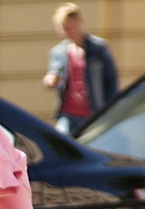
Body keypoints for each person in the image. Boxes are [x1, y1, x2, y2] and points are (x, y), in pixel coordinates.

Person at [42, 3, 118, 134]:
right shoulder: (59, 52)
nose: (67, 32)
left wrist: (109, 111)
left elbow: (111, 80)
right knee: (63, 146)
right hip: (68, 114)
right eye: (63, 29)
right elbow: (52, 75)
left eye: (69, 27)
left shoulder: (98, 48)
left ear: (79, 23)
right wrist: (50, 80)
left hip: (93, 112)